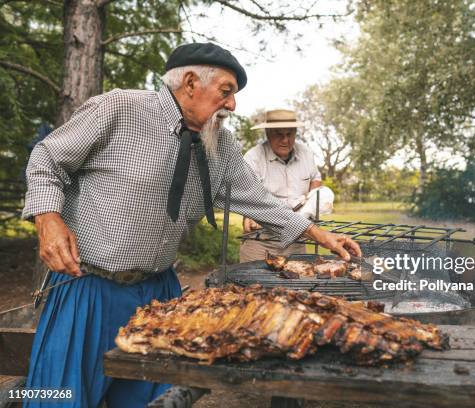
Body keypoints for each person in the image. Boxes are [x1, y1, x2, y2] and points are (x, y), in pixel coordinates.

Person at [22, 42, 360, 408]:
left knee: (159, 401)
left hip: (158, 294)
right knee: (59, 399)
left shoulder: (221, 145)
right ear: (189, 83)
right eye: (226, 92)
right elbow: (47, 157)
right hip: (87, 290)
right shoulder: (120, 108)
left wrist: (316, 233)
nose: (232, 105)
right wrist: (48, 217)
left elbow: (259, 199)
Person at [240, 109, 332, 262]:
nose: (285, 140)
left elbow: (315, 178)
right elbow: (246, 194)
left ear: (296, 133)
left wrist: (310, 203)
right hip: (261, 240)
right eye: (279, 134)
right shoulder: (253, 157)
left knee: (299, 281)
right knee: (253, 286)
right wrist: (248, 216)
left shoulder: (306, 153)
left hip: (298, 237)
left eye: (290, 134)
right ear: (268, 133)